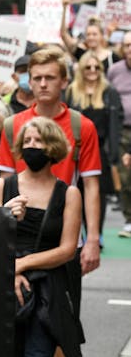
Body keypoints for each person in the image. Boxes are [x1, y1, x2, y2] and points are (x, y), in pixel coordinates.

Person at [0, 117, 83, 357]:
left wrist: (22, 264)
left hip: (47, 293)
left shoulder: (69, 193)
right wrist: (5, 218)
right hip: (4, 288)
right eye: (26, 140)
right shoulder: (1, 187)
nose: (31, 146)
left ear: (53, 147)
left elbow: (67, 250)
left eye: (38, 141)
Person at [0, 47, 101, 275]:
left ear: (64, 82)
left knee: (62, 307)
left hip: (63, 232)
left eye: (50, 78)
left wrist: (93, 239)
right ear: (29, 82)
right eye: (37, 78)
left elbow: (91, 185)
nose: (43, 84)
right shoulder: (13, 125)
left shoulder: (82, 127)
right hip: (18, 235)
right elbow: (5, 184)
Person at [65, 50, 123, 242]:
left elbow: (116, 122)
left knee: (99, 192)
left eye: (96, 67)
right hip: (75, 148)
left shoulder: (109, 92)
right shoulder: (72, 91)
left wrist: (114, 152)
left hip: (100, 149)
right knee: (75, 189)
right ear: (81, 69)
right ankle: (76, 229)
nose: (92, 70)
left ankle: (96, 232)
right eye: (88, 67)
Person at [107, 31, 131, 237]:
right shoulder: (115, 71)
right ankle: (129, 218)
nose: (130, 49)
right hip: (122, 130)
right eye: (127, 45)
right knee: (124, 174)